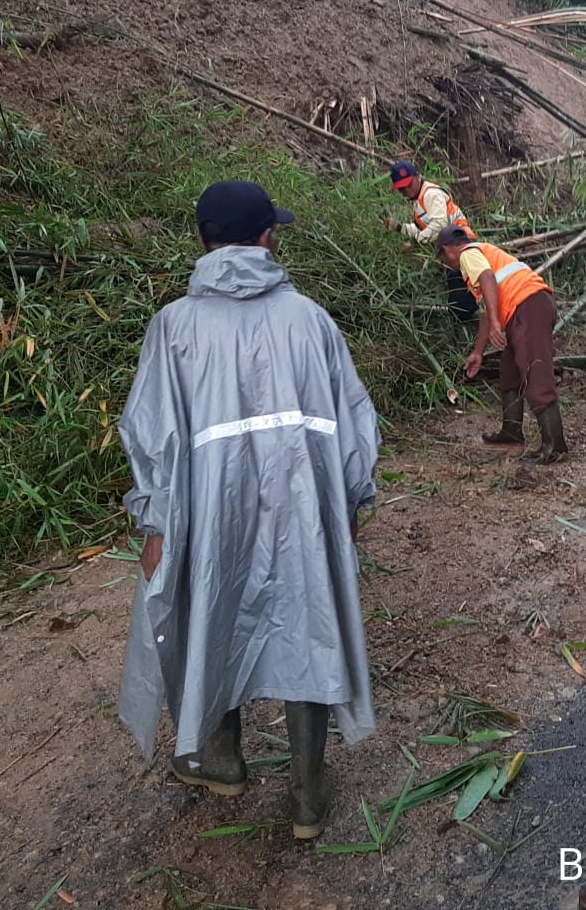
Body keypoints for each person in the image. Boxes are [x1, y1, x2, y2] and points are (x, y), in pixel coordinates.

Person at [118, 179, 380, 840]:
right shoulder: (310, 320)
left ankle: (224, 760)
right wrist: (352, 498)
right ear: (268, 238)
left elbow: (151, 435)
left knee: (214, 615)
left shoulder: (173, 326)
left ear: (203, 242)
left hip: (211, 514)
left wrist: (155, 520)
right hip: (305, 510)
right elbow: (353, 423)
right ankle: (308, 797)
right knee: (309, 626)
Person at [435, 224, 568, 464]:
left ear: (447, 250)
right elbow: (487, 310)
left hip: (528, 306)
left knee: (535, 372)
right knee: (510, 372)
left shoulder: (468, 254)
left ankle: (555, 447)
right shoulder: (480, 258)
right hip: (524, 309)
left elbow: (487, 279)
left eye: (443, 258)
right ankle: (512, 431)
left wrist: (497, 322)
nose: (447, 264)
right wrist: (478, 352)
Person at [384, 159, 478, 320]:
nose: (406, 190)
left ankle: (483, 323)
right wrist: (398, 227)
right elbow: (423, 229)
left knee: (462, 302)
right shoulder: (420, 199)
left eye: (408, 184)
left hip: (461, 246)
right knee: (461, 298)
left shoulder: (431, 195)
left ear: (417, 177)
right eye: (402, 188)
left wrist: (414, 243)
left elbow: (439, 225)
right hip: (453, 250)